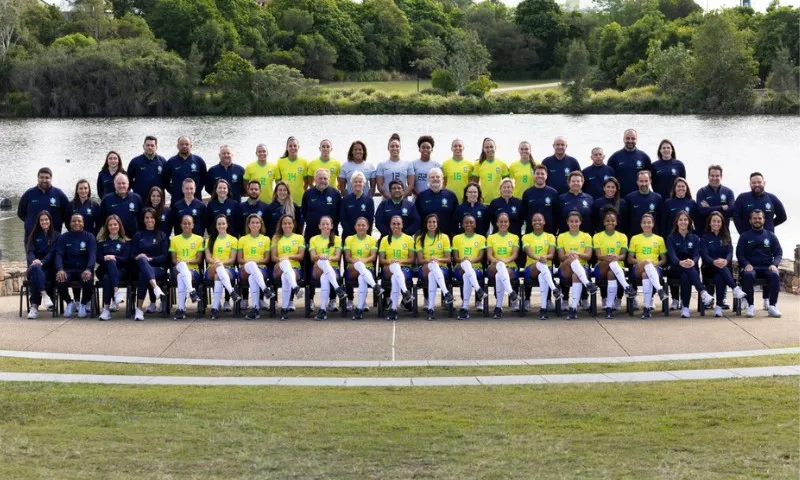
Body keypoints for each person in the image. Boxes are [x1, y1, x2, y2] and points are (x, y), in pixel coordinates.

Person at [665, 211, 716, 318]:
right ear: (677, 222)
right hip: (675, 267)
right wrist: (680, 262)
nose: (683, 222)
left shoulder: (695, 238)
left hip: (691, 266)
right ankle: (703, 292)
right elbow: (672, 256)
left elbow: (697, 255)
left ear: (689, 222)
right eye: (680, 220)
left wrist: (693, 261)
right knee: (686, 272)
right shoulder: (671, 237)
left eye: (685, 219)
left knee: (685, 276)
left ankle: (685, 308)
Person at [737, 210, 783, 318]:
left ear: (764, 220)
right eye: (754, 218)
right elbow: (739, 254)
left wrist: (774, 264)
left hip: (767, 267)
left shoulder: (771, 236)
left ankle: (772, 306)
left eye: (759, 218)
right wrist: (746, 264)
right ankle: (751, 306)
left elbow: (778, 252)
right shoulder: (744, 236)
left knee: (775, 275)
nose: (757, 220)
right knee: (748, 275)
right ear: (750, 220)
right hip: (752, 267)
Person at [700, 212, 747, 317]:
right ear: (710, 223)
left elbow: (730, 252)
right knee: (720, 271)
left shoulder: (726, 237)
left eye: (718, 221)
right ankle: (735, 288)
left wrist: (726, 260)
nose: (716, 223)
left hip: (723, 267)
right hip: (709, 268)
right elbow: (704, 254)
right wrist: (713, 262)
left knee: (720, 277)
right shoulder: (704, 238)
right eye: (714, 221)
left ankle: (718, 307)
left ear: (722, 223)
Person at [592, 208, 636, 318]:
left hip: (617, 268)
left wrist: (616, 258)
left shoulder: (622, 236)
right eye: (607, 220)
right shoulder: (597, 236)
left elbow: (623, 256)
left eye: (612, 220)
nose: (610, 222)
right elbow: (598, 256)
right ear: (603, 222)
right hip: (601, 267)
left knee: (611, 273)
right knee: (610, 263)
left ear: (616, 222)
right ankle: (626, 287)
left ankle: (609, 307)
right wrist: (608, 258)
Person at [556, 212, 598, 319]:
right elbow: (561, 257)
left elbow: (588, 256)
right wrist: (569, 255)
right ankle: (588, 284)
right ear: (567, 222)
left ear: (580, 222)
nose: (574, 224)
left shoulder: (586, 236)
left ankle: (573, 309)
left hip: (582, 268)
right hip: (565, 268)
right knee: (572, 258)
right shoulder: (561, 236)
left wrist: (578, 254)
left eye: (576, 221)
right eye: (571, 221)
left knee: (576, 275)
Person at [627, 213, 669, 319]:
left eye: (649, 222)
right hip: (638, 268)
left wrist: (655, 264)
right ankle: (659, 289)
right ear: (641, 225)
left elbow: (664, 260)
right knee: (646, 263)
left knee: (646, 274)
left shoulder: (659, 239)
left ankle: (646, 308)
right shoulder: (635, 238)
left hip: (654, 269)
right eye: (644, 223)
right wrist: (645, 262)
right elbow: (630, 259)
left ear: (653, 224)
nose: (647, 225)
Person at [55, 213, 97, 318]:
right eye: (74, 221)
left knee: (88, 281)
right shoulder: (63, 237)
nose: (76, 223)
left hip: (84, 269)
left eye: (79, 221)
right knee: (60, 280)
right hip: (68, 269)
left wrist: (88, 269)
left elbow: (92, 255)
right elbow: (59, 254)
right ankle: (69, 302)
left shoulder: (89, 237)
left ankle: (83, 304)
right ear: (69, 223)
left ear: (83, 223)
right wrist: (60, 269)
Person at [522, 212, 561, 320]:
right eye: (535, 220)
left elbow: (552, 254)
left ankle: (543, 309)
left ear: (544, 222)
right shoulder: (526, 237)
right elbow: (529, 253)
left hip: (545, 269)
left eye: (539, 220)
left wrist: (546, 257)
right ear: (531, 223)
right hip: (531, 268)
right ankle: (554, 289)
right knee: (540, 266)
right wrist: (540, 258)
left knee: (542, 277)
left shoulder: (550, 236)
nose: (537, 222)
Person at [415, 214, 455, 320]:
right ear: (426, 224)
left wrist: (437, 259)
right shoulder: (420, 239)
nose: (431, 224)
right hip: (424, 268)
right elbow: (420, 260)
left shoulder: (444, 237)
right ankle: (446, 292)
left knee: (433, 274)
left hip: (442, 269)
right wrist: (429, 260)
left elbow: (448, 259)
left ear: (437, 224)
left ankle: (431, 309)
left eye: (434, 222)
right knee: (432, 265)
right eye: (429, 222)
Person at [131, 208, 168, 321]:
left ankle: (139, 309)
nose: (149, 220)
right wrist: (140, 258)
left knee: (144, 268)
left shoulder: (162, 235)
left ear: (155, 219)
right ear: (143, 219)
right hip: (141, 267)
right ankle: (155, 287)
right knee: (142, 262)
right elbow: (132, 254)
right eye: (147, 217)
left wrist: (149, 259)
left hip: (158, 268)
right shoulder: (138, 235)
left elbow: (164, 256)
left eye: (151, 217)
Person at [238, 214, 276, 319]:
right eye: (252, 222)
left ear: (261, 224)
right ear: (248, 225)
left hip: (261, 269)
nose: (255, 224)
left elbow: (266, 259)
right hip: (245, 268)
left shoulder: (266, 239)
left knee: (252, 277)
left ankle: (255, 309)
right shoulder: (242, 239)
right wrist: (250, 262)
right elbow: (240, 259)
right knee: (251, 265)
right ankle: (265, 289)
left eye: (257, 222)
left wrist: (254, 261)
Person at [17, 167, 70, 243]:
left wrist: (56, 222)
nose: (44, 180)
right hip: (32, 236)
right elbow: (20, 213)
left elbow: (67, 213)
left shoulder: (59, 194)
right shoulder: (29, 193)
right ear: (37, 178)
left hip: (53, 237)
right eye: (41, 177)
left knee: (53, 254)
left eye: (47, 178)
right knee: (32, 255)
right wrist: (31, 222)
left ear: (51, 178)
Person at [204, 214, 242, 320]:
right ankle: (231, 291)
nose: (221, 226)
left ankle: (215, 308)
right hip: (211, 268)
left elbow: (232, 259)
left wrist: (220, 263)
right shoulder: (209, 240)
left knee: (218, 276)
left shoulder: (233, 240)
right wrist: (216, 263)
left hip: (228, 269)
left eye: (223, 223)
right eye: (219, 224)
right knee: (217, 271)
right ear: (216, 226)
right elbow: (208, 258)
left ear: (227, 225)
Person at [344, 217, 382, 320]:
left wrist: (362, 261)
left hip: (367, 268)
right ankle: (375, 286)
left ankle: (359, 309)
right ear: (355, 227)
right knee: (359, 267)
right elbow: (347, 257)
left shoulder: (372, 240)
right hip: (352, 269)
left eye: (363, 225)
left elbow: (373, 256)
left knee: (362, 278)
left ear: (368, 227)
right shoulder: (349, 239)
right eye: (359, 225)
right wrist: (357, 262)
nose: (361, 227)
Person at [309, 216, 347, 320]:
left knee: (324, 278)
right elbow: (313, 257)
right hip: (317, 268)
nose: (325, 226)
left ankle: (322, 310)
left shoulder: (337, 239)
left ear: (331, 226)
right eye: (323, 224)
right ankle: (337, 288)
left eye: (327, 224)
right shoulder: (313, 239)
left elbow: (337, 257)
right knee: (321, 260)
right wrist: (320, 257)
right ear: (319, 226)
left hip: (333, 269)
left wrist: (326, 257)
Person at [379, 216, 415, 321]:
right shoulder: (385, 240)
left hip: (405, 268)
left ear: (402, 225)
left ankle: (393, 309)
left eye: (398, 224)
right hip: (388, 268)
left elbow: (411, 259)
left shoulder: (408, 239)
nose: (396, 226)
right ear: (390, 225)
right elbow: (381, 260)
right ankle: (405, 292)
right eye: (394, 224)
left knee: (396, 276)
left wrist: (399, 262)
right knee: (394, 267)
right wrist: (390, 262)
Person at [452, 214, 487, 320]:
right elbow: (455, 257)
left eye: (471, 222)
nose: (469, 224)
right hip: (459, 268)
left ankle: (465, 307)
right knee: (465, 266)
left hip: (476, 268)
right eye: (466, 222)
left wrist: (469, 261)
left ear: (475, 224)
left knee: (467, 275)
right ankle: (478, 290)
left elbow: (481, 257)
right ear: (462, 224)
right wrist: (463, 260)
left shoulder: (481, 238)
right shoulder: (457, 238)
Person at [487, 212, 523, 318]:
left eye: (505, 221)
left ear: (509, 223)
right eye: (501, 221)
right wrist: (498, 262)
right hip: (494, 265)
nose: (503, 224)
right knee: (499, 268)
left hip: (510, 267)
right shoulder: (491, 237)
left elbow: (514, 255)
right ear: (497, 223)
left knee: (499, 275)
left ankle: (498, 308)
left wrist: (503, 262)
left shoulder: (514, 237)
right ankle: (511, 292)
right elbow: (489, 256)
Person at [271, 215, 306, 321]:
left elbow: (300, 256)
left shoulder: (299, 237)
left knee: (286, 276)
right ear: (281, 225)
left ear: (293, 224)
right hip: (278, 267)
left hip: (295, 268)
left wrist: (288, 256)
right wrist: (283, 260)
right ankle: (295, 288)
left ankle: (284, 309)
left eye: (289, 223)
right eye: (284, 223)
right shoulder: (276, 238)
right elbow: (273, 257)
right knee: (285, 265)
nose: (287, 225)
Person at [96, 215, 131, 321]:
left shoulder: (126, 241)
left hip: (121, 271)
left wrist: (114, 257)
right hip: (104, 270)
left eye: (115, 224)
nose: (113, 227)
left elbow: (126, 258)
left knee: (107, 278)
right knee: (107, 271)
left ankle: (106, 310)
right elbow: (98, 258)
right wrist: (105, 258)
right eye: (110, 225)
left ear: (119, 226)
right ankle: (116, 292)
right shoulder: (102, 241)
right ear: (107, 227)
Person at [169, 215, 204, 320]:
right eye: (184, 223)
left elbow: (198, 260)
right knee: (181, 267)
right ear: (181, 225)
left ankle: (181, 309)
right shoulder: (174, 239)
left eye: (189, 223)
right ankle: (192, 291)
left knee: (181, 276)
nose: (187, 225)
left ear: (193, 225)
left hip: (193, 271)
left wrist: (186, 261)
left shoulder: (199, 239)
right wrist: (181, 262)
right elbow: (174, 260)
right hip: (177, 268)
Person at [25, 211, 57, 319]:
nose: (44, 222)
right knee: (35, 269)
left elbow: (52, 253)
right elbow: (30, 252)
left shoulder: (56, 235)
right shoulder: (33, 235)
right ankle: (44, 294)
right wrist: (34, 260)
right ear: (38, 222)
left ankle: (34, 307)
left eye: (46, 219)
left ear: (50, 221)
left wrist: (42, 261)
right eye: (42, 220)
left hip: (48, 269)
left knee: (35, 278)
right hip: (33, 267)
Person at [608, 129, 652, 197]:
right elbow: (609, 181)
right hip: (620, 198)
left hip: (639, 198)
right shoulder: (614, 158)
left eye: (633, 138)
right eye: (627, 138)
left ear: (637, 140)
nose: (630, 141)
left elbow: (649, 179)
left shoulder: (644, 157)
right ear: (623, 139)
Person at [414, 168, 458, 236]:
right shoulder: (421, 196)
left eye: (438, 177)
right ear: (428, 180)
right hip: (426, 237)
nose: (435, 179)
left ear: (442, 179)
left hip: (447, 237)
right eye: (432, 177)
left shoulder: (451, 195)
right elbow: (416, 217)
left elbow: (456, 217)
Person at [301, 169, 341, 242]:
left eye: (325, 178)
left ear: (328, 179)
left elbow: (339, 214)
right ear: (315, 179)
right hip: (312, 234)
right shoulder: (308, 194)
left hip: (330, 234)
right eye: (320, 178)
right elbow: (304, 213)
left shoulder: (335, 194)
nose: (323, 180)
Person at [164, 136, 206, 202]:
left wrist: (195, 190)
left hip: (195, 199)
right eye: (182, 144)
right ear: (177, 146)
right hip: (177, 199)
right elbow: (165, 182)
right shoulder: (171, 162)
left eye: (187, 144)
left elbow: (204, 179)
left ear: (191, 146)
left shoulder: (199, 161)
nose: (184, 146)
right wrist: (174, 192)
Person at [520, 164, 559, 236]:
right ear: (534, 175)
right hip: (531, 233)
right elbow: (524, 214)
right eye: (537, 173)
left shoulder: (553, 193)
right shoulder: (527, 193)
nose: (540, 176)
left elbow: (556, 214)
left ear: (546, 176)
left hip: (549, 232)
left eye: (542, 174)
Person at [696, 165, 735, 233]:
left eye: (717, 176)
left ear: (721, 176)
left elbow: (731, 211)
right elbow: (702, 211)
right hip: (706, 233)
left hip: (724, 233)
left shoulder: (728, 192)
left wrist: (709, 208)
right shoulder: (701, 192)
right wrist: (723, 208)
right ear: (708, 176)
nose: (714, 178)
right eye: (712, 175)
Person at [470, 137, 508, 204]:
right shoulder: (478, 164)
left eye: (491, 147)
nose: (489, 149)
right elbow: (474, 185)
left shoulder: (502, 164)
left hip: (498, 201)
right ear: (483, 149)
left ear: (495, 148)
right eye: (487, 147)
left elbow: (507, 185)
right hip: (483, 201)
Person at [624, 170, 663, 237]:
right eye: (641, 181)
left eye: (646, 181)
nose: (643, 184)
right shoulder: (629, 198)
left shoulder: (657, 198)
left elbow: (660, 220)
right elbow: (626, 220)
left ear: (650, 181)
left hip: (652, 238)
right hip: (634, 237)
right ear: (637, 182)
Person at [376, 133, 414, 199]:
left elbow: (411, 184)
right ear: (388, 148)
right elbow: (379, 185)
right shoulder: (382, 165)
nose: (394, 148)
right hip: (387, 200)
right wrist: (389, 197)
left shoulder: (408, 164)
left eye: (397, 146)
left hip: (403, 200)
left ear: (400, 148)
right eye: (392, 146)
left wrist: (402, 196)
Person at [339, 171, 374, 240]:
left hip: (364, 237)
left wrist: (365, 235)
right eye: (355, 181)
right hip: (348, 237)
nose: (358, 183)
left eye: (360, 182)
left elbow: (370, 220)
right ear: (351, 183)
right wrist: (351, 235)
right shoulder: (345, 200)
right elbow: (343, 219)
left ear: (364, 183)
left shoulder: (369, 200)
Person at [276, 136, 308, 205]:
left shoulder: (304, 162)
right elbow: (278, 181)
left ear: (298, 147)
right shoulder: (280, 162)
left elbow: (306, 182)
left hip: (299, 199)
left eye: (295, 146)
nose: (293, 148)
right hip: (285, 199)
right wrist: (282, 193)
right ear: (287, 148)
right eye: (290, 146)